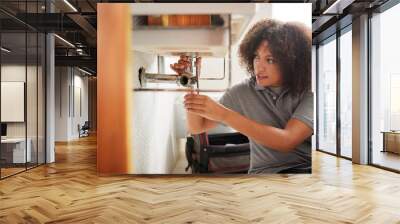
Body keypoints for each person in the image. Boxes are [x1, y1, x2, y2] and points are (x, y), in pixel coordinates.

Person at [171, 19, 313, 174]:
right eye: (256, 57)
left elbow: (287, 141)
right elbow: (198, 126)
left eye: (270, 59)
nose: (259, 66)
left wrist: (224, 115)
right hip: (263, 175)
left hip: (304, 171)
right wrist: (191, 80)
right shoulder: (242, 92)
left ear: (291, 62)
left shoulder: (308, 91)